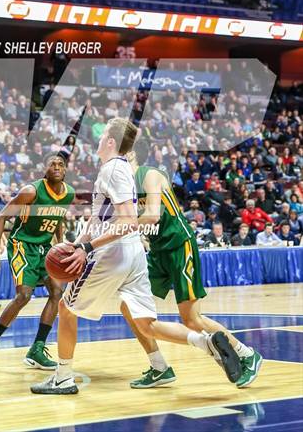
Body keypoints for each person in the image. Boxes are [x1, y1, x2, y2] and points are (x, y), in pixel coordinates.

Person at [30, 119, 242, 396]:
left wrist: (89, 247)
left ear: (110, 142)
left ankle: (63, 377)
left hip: (112, 252)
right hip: (133, 254)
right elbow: (99, 218)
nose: (98, 137)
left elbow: (128, 221)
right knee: (146, 323)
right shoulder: (120, 170)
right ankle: (205, 343)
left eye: (103, 133)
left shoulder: (111, 170)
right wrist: (77, 243)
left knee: (67, 309)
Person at [122, 138, 259, 389]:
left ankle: (246, 353)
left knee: (192, 319)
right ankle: (159, 367)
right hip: (157, 251)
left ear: (130, 154)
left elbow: (152, 213)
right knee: (128, 305)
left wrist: (118, 226)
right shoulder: (125, 187)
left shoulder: (149, 174)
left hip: (179, 245)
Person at [0, 153, 76, 371]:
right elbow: (1, 217)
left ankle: (37, 349)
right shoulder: (31, 191)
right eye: (52, 164)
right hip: (22, 245)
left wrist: (59, 244)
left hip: (45, 247)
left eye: (61, 164)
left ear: (65, 170)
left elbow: (57, 220)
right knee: (23, 296)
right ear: (45, 169)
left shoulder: (69, 194)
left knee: (57, 294)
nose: (57, 167)